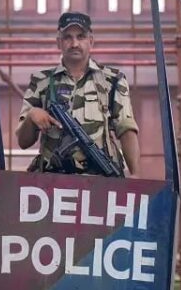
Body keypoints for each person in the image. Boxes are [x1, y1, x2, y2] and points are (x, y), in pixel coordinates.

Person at [16, 12, 140, 176]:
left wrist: (136, 175)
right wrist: (32, 116)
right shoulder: (42, 81)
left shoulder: (112, 80)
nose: (74, 43)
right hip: (52, 181)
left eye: (80, 37)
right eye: (68, 37)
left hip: (100, 180)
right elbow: (23, 142)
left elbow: (126, 129)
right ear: (59, 42)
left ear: (91, 41)